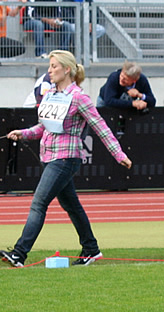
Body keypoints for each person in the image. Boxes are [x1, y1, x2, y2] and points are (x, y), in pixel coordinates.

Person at [1, 50, 132, 269]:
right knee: (72, 205)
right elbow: (43, 128)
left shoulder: (79, 97)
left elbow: (101, 128)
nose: (50, 71)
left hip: (66, 158)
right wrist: (23, 133)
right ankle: (91, 249)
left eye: (54, 66)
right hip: (50, 157)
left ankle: (19, 253)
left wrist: (119, 155)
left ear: (67, 69)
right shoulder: (51, 93)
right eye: (50, 66)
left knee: (38, 203)